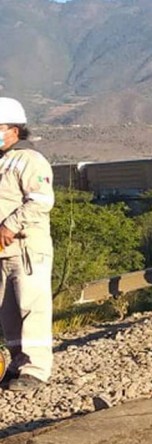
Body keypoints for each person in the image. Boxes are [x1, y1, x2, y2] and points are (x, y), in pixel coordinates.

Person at [0, 98, 55, 392]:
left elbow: (41, 200)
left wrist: (10, 224)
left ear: (14, 130)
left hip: (26, 246)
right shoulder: (2, 160)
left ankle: (35, 369)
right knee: (8, 310)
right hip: (3, 250)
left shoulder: (30, 160)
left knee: (31, 305)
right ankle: (17, 362)